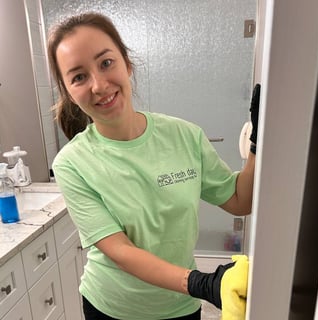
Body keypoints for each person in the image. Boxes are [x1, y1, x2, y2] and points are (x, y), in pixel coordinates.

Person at [48, 12, 260, 320]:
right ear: (68, 91)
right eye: (79, 76)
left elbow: (241, 200)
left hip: (180, 306)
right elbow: (121, 251)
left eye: (106, 63)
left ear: (127, 63)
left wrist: (259, 141)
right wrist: (203, 283)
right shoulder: (72, 164)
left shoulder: (185, 136)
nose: (98, 85)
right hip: (112, 308)